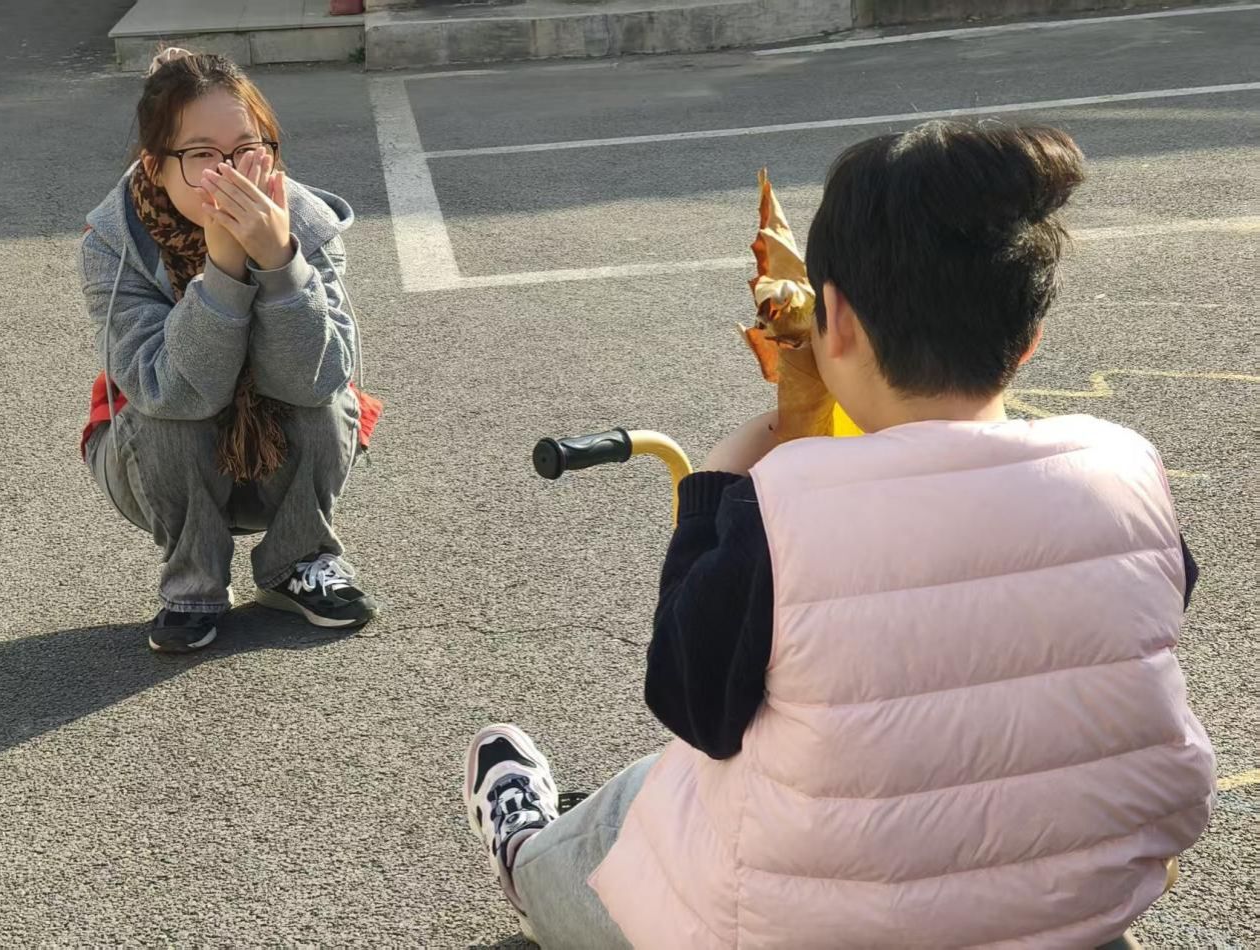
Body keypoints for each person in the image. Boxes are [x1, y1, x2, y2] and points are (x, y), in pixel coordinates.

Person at [463, 122, 1217, 948]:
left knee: (652, 799)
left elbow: (694, 707)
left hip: (810, 925)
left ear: (838, 321)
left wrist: (714, 486)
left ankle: (525, 857)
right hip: (1080, 897)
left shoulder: (780, 509)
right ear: (1029, 338)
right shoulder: (1127, 471)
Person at [80, 49, 382, 654]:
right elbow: (169, 390)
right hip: (153, 464)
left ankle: (300, 560)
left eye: (246, 149)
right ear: (155, 165)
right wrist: (222, 272)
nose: (230, 175)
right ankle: (192, 584)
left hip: (289, 457)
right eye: (201, 155)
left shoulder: (306, 226)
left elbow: (316, 380)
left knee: (322, 397)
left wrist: (279, 266)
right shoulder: (114, 245)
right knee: (168, 409)